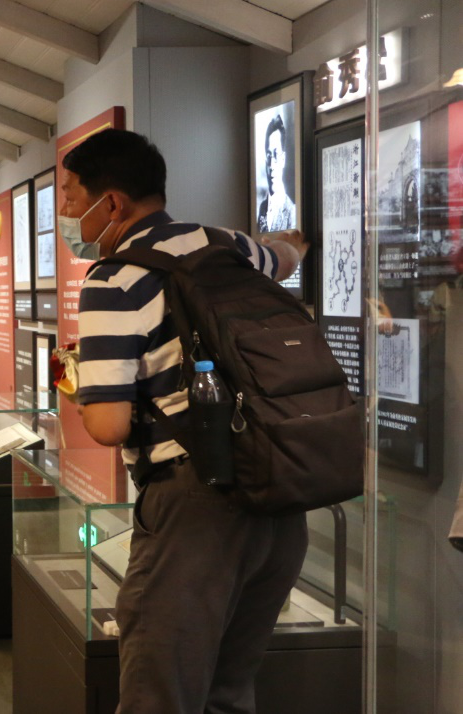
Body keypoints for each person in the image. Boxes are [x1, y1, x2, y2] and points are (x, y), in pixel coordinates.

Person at [60, 129, 310, 713]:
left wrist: (79, 387)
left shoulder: (113, 280)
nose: (66, 211)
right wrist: (294, 243)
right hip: (278, 495)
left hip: (193, 510)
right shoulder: (227, 244)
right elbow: (285, 256)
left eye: (71, 195)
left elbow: (108, 426)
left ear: (112, 202)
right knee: (228, 692)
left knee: (159, 696)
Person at [257, 113, 297, 232]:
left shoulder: (292, 212)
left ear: (283, 159)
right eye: (269, 156)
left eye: (276, 155)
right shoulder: (262, 208)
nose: (272, 165)